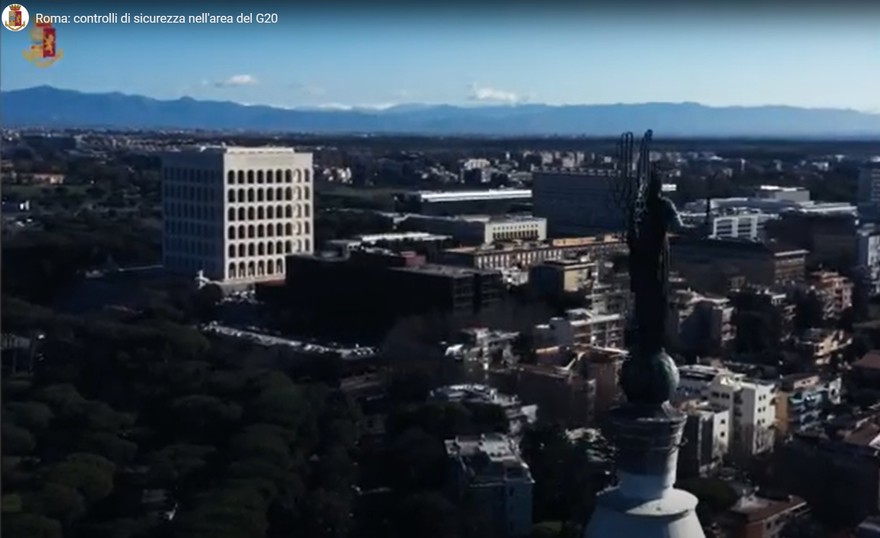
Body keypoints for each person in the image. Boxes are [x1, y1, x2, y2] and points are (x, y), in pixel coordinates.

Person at [626, 173, 684, 356]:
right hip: (653, 257)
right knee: (655, 298)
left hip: (642, 257)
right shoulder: (664, 205)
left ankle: (648, 341)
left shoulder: (638, 206)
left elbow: (630, 232)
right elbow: (678, 226)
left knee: (646, 299)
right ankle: (651, 342)